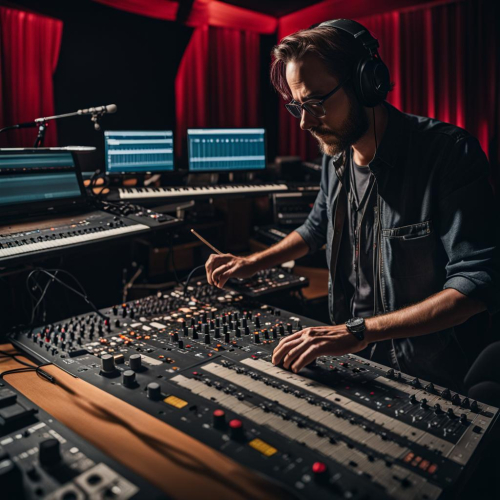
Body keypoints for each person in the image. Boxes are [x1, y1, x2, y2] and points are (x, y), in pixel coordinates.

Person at [204, 19, 499, 392]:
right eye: (297, 107)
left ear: (366, 83)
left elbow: (477, 285)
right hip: (353, 357)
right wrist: (251, 263)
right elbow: (316, 228)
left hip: (429, 375)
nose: (305, 123)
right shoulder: (335, 154)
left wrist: (359, 331)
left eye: (315, 103)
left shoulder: (448, 154)